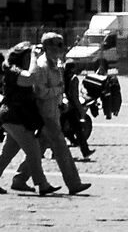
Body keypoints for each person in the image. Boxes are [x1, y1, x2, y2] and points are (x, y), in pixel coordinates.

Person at [0, 43, 58, 195]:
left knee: (7, 153)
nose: (31, 58)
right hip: (14, 116)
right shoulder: (13, 70)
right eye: (28, 55)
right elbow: (30, 78)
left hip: (17, 117)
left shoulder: (17, 69)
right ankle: (42, 184)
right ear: (22, 56)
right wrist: (34, 57)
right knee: (34, 151)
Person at [30, 33, 90, 196]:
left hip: (54, 111)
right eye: (57, 45)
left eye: (61, 44)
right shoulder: (42, 66)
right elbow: (40, 92)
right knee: (62, 148)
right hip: (45, 113)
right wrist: (58, 91)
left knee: (38, 148)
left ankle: (19, 178)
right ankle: (74, 183)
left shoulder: (55, 64)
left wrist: (61, 100)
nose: (61, 48)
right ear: (47, 47)